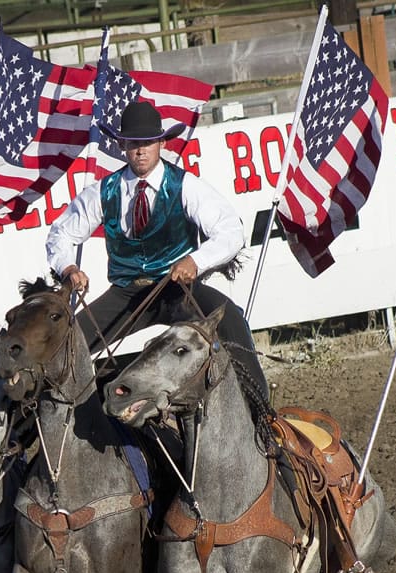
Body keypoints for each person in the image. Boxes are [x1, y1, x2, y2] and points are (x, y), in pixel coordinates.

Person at [44, 99, 268, 399]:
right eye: (134, 143)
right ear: (122, 145)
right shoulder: (103, 191)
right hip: (126, 295)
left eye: (147, 142)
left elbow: (230, 230)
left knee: (231, 321)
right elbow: (60, 233)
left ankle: (262, 413)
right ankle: (36, 427)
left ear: (161, 142)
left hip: (176, 289)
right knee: (66, 345)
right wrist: (68, 268)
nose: (140, 150)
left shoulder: (184, 185)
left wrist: (195, 261)